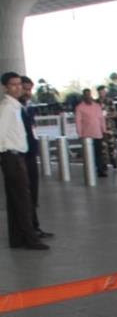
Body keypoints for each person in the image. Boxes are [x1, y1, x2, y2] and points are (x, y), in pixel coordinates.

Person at [0, 72, 49, 249]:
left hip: (16, 156)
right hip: (12, 157)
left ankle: (17, 239)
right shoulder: (7, 107)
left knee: (15, 201)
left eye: (19, 84)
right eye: (13, 85)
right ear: (6, 87)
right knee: (22, 199)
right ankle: (30, 239)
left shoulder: (15, 107)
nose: (18, 87)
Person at [20, 76, 53, 239]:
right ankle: (28, 230)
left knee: (33, 193)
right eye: (25, 88)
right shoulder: (14, 108)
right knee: (24, 194)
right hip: (20, 156)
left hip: (31, 154)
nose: (28, 92)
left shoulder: (29, 107)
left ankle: (35, 226)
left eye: (30, 89)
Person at [74, 88, 107, 176]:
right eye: (86, 95)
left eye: (89, 94)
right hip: (87, 135)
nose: (88, 96)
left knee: (99, 153)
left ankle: (100, 170)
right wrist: (80, 134)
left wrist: (104, 130)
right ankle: (90, 171)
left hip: (98, 134)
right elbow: (78, 121)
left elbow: (101, 119)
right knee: (89, 155)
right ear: (83, 96)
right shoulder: (79, 107)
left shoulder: (97, 106)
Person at [96, 85, 117, 170]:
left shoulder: (109, 101)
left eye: (103, 91)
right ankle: (103, 163)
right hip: (99, 128)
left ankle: (113, 161)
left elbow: (115, 113)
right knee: (102, 147)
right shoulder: (96, 103)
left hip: (109, 127)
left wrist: (107, 115)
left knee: (111, 145)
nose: (102, 93)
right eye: (100, 92)